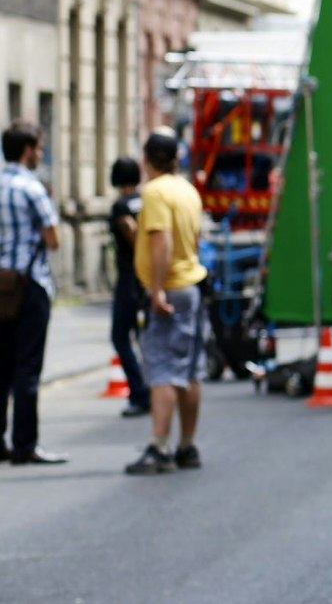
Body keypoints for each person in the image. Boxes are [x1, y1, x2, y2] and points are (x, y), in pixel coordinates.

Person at [125, 131, 211, 476]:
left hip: (171, 288)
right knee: (189, 371)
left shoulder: (156, 192)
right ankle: (186, 445)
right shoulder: (187, 190)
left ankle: (159, 448)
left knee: (162, 369)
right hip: (191, 284)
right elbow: (194, 237)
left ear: (147, 159)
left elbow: (161, 240)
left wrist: (157, 289)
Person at [0, 122, 65, 466]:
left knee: (2, 364)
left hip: (2, 284)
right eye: (39, 148)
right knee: (27, 367)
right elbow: (53, 239)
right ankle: (24, 445)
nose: (41, 154)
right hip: (30, 284)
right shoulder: (32, 188)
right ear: (27, 149)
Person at [107, 157, 152, 418]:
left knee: (120, 336)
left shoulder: (121, 206)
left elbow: (131, 232)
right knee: (141, 336)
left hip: (129, 276)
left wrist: (139, 254)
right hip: (145, 276)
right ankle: (148, 386)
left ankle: (139, 392)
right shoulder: (145, 201)